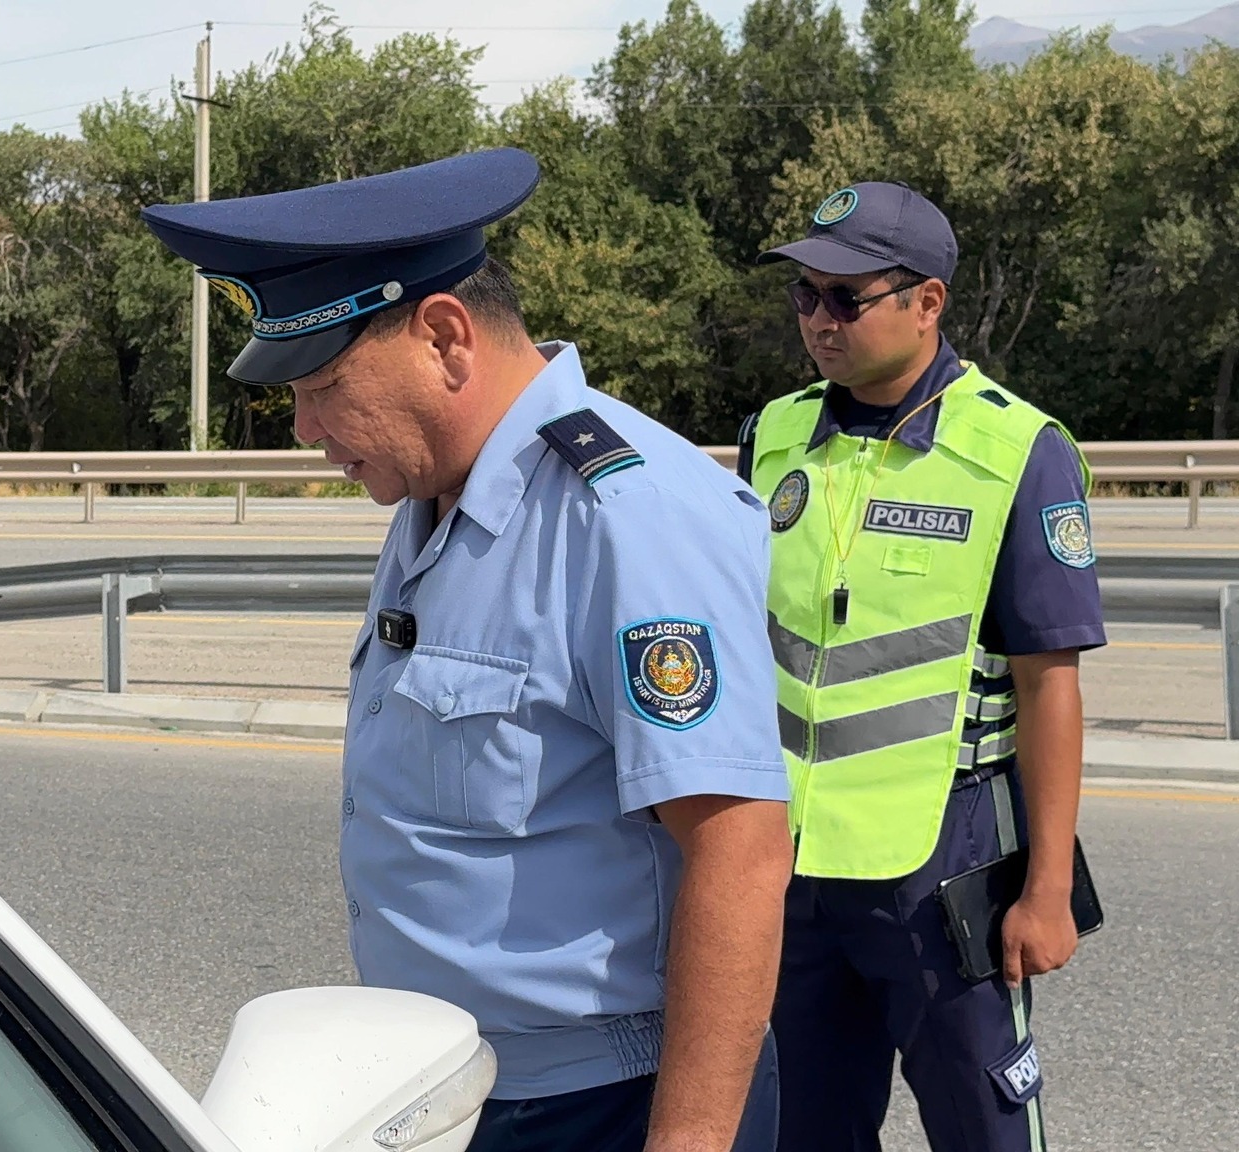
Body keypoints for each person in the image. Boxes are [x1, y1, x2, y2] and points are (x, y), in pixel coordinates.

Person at [142, 148, 795, 1152]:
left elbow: (739, 853)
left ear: (445, 338)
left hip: (604, 1105)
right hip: (451, 1086)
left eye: (323, 385)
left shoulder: (627, 519)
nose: (304, 428)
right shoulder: (435, 491)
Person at [739, 181, 1105, 1151]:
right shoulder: (772, 436)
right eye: (804, 295)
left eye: (844, 298)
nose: (818, 320)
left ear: (926, 302)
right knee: (800, 1128)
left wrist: (1046, 888)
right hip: (790, 867)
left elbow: (1049, 683)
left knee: (984, 1130)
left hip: (942, 863)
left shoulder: (1015, 451)